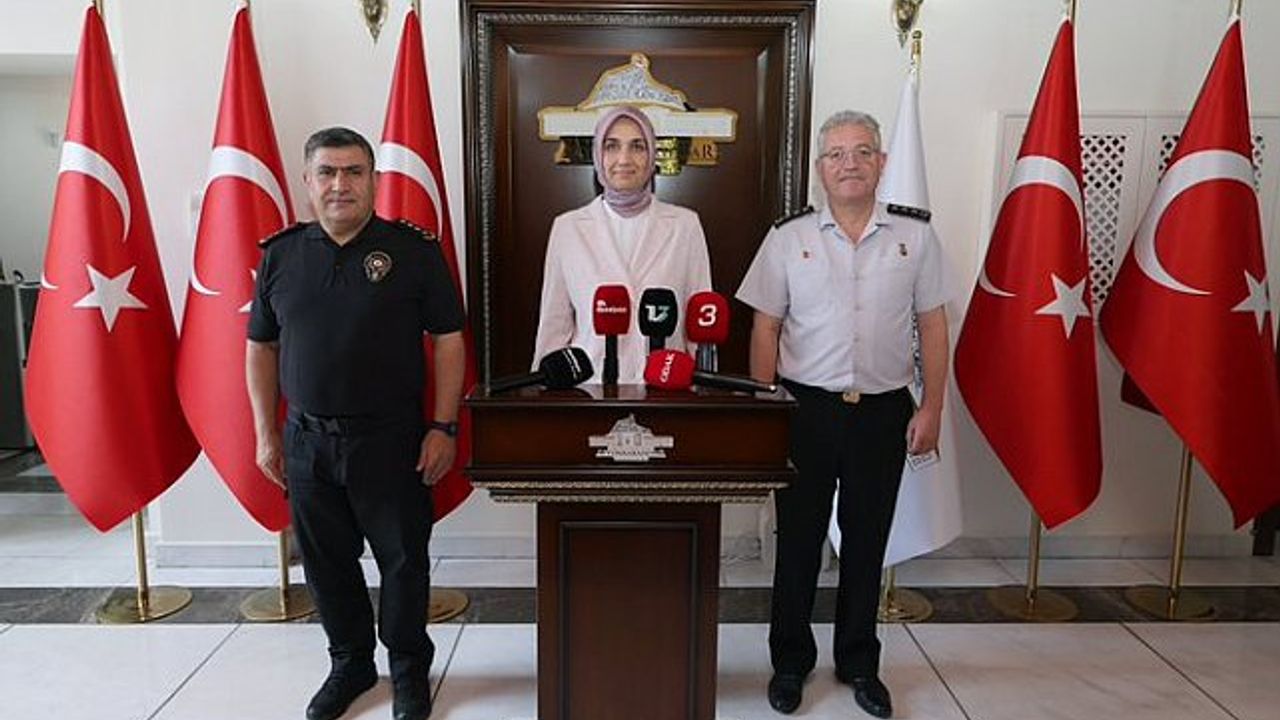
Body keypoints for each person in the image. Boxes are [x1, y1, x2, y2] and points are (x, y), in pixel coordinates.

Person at [246, 127, 465, 720]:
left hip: (392, 439)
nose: (339, 184)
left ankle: (408, 668)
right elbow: (260, 347)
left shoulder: (413, 251)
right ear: (308, 181)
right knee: (326, 564)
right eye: (327, 172)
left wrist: (443, 427)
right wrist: (266, 433)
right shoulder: (280, 255)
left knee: (403, 562)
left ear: (373, 180)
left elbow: (448, 338)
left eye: (353, 172)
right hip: (307, 442)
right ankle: (350, 663)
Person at [736, 110, 949, 719]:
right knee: (798, 542)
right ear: (820, 168)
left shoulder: (916, 237)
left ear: (881, 162)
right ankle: (790, 662)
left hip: (882, 412)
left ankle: (859, 662)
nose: (848, 164)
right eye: (835, 154)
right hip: (805, 411)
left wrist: (932, 406)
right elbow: (765, 327)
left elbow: (933, 325)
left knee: (866, 542)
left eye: (861, 152)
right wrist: (765, 408)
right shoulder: (788, 238)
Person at [533, 105, 712, 382]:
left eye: (637, 146)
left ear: (652, 155)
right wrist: (544, 388)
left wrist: (703, 390)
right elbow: (554, 327)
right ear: (598, 155)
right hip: (590, 389)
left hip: (665, 390)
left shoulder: (685, 225)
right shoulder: (567, 228)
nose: (624, 159)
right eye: (612, 146)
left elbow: (700, 326)